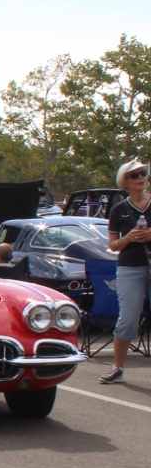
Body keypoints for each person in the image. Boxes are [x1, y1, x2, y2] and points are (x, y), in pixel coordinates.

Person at [102, 159, 151, 384]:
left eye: (144, 172)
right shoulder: (118, 209)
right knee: (128, 320)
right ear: (125, 181)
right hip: (130, 266)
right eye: (135, 175)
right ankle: (117, 367)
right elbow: (112, 244)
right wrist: (129, 238)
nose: (141, 177)